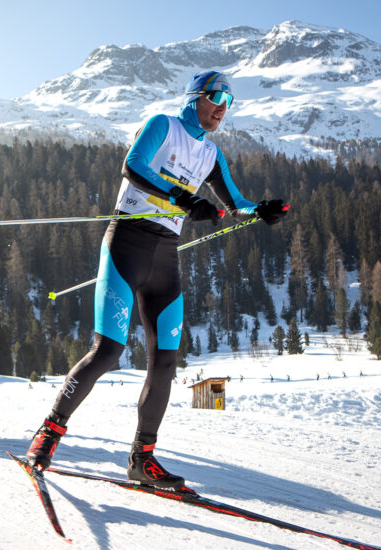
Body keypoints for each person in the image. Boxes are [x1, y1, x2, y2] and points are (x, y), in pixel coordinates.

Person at [24, 71, 287, 490]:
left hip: (165, 256)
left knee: (165, 360)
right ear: (195, 97)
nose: (222, 108)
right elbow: (132, 165)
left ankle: (141, 459)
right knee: (107, 351)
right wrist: (182, 197)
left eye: (229, 102)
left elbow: (235, 203)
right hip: (126, 243)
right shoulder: (163, 125)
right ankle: (49, 433)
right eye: (216, 97)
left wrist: (261, 210)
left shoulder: (211, 153)